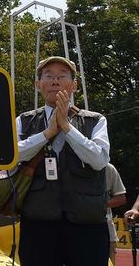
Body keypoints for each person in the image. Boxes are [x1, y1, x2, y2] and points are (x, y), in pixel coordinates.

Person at [15, 56, 110, 266]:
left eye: (62, 76)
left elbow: (99, 159)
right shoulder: (24, 120)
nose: (55, 81)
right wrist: (47, 134)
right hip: (38, 223)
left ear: (74, 85)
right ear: (38, 84)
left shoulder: (94, 120)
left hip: (87, 224)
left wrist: (66, 127)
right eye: (48, 76)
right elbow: (13, 155)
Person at [105, 163, 127, 261]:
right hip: (72, 228)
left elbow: (121, 198)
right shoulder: (66, 165)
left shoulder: (108, 168)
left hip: (106, 229)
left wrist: (94, 204)